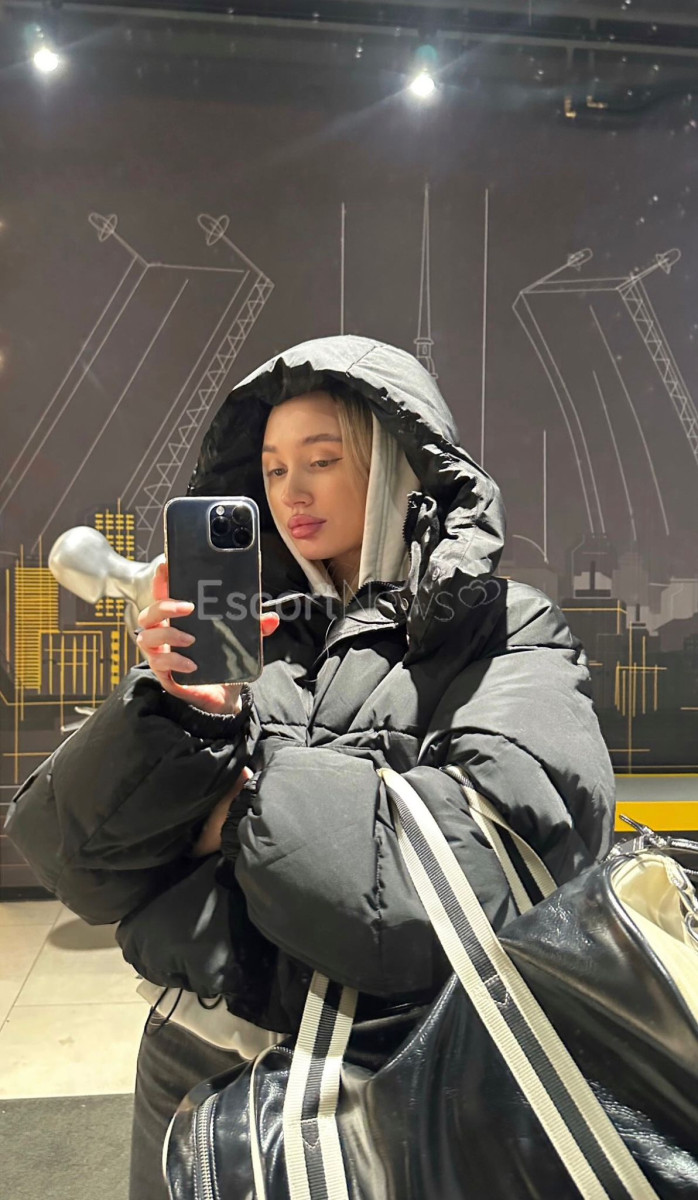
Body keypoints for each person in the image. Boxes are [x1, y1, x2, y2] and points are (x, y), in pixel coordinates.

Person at [4, 335, 616, 1200]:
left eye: (322, 460)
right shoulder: (251, 632)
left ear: (396, 466)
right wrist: (194, 715)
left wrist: (232, 800)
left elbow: (458, 891)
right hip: (189, 1052)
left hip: (388, 1081)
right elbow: (76, 859)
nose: (291, 491)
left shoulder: (506, 629)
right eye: (273, 468)